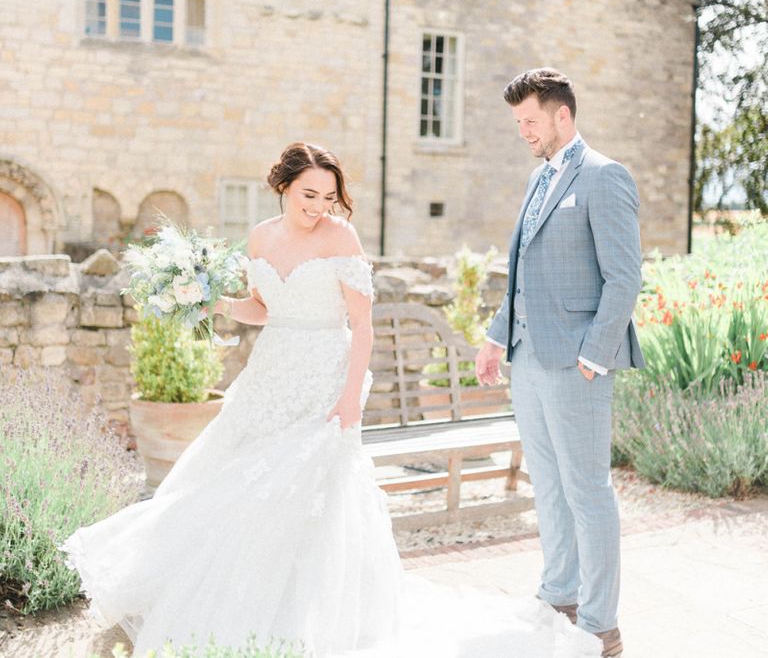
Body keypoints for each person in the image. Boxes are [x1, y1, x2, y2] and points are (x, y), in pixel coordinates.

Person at [63, 142, 602, 657]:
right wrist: (218, 304)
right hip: (271, 373)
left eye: (328, 197)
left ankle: (304, 620)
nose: (319, 207)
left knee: (306, 491)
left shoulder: (341, 239)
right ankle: (241, 606)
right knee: (233, 482)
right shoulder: (259, 237)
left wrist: (350, 399)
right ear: (283, 186)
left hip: (326, 376)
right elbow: (263, 307)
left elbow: (362, 328)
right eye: (308, 196)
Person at [475, 69, 645, 658]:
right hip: (527, 360)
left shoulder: (604, 177)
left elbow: (624, 278)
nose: (522, 131)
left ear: (561, 116)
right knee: (547, 486)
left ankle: (601, 624)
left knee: (587, 491)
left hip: (577, 366)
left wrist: (593, 358)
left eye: (529, 121)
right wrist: (498, 339)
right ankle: (558, 596)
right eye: (518, 122)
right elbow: (522, 273)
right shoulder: (536, 178)